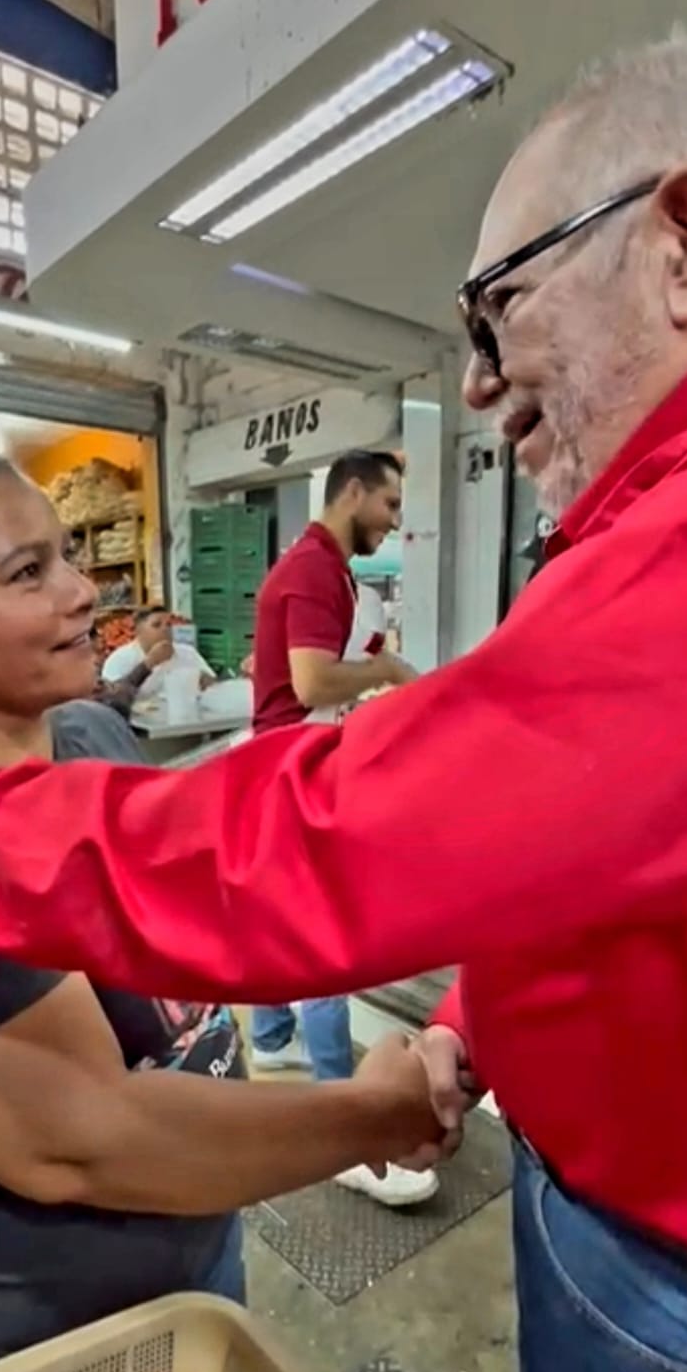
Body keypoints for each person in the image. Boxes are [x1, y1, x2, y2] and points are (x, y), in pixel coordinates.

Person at [0, 31, 687, 1372]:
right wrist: (412, 1070)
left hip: (660, 1293)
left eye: (499, 308)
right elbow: (83, 1130)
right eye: (29, 568)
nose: (479, 379)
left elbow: (341, 847)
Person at [0, 434, 444, 1372]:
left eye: (67, 555)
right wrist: (372, 1113)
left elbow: (187, 916)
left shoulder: (92, 731)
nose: (80, 593)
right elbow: (82, 1141)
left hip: (186, 1275)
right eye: (28, 572)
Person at [250, 450, 430, 1208]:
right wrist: (388, 678)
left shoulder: (331, 567)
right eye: (388, 504)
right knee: (325, 937)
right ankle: (343, 1124)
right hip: (292, 769)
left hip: (287, 761)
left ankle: (269, 1042)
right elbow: (312, 682)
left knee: (274, 919)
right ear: (351, 491)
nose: (393, 521)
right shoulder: (314, 569)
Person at [101, 604, 214, 699]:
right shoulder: (120, 659)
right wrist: (150, 662)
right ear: (138, 631)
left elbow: (213, 684)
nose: (165, 630)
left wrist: (203, 680)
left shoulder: (187, 653)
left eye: (169, 625)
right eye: (156, 625)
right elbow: (112, 698)